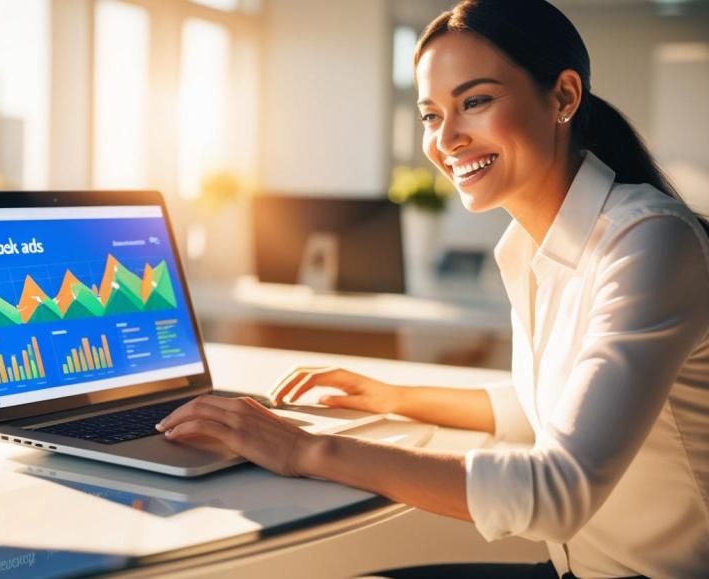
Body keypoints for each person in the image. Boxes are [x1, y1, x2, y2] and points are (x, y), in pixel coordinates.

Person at [155, 1, 709, 577]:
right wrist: (395, 396)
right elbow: (547, 402)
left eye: (475, 102)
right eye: (429, 115)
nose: (447, 139)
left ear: (564, 97)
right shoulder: (526, 246)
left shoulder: (650, 240)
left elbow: (555, 493)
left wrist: (304, 449)